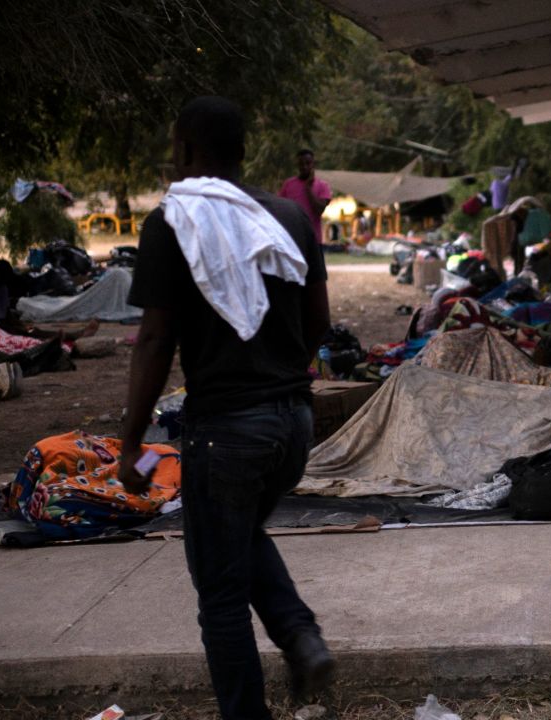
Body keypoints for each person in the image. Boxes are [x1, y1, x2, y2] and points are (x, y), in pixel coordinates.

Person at [120, 96, 333, 719]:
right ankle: (299, 635)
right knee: (236, 535)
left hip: (225, 433)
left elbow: (155, 339)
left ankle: (261, 693)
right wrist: (281, 381)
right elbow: (318, 322)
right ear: (243, 153)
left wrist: (131, 442)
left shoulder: (173, 222)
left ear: (184, 151)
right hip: (293, 426)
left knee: (220, 593)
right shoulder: (291, 217)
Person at [279, 149, 331, 244]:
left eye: (308, 163)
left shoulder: (322, 185)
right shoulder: (288, 184)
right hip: (293, 239)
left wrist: (308, 188)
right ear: (297, 165)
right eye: (301, 164)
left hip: (313, 240)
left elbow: (319, 210)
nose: (304, 167)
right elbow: (281, 209)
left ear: (313, 164)